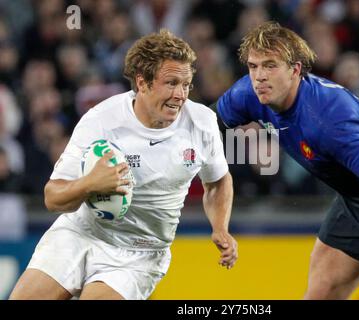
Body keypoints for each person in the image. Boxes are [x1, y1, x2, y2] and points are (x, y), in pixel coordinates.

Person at [213, 22, 359, 300]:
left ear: (295, 70)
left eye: (270, 65)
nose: (259, 76)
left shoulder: (330, 118)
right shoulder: (248, 92)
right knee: (319, 294)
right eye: (253, 66)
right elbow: (202, 127)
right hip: (355, 203)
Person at [10, 30, 238, 300]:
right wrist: (88, 185)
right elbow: (53, 196)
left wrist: (220, 226)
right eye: (171, 83)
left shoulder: (202, 123)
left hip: (140, 252)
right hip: (79, 232)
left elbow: (218, 181)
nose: (181, 95)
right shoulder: (102, 120)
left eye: (186, 84)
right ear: (142, 83)